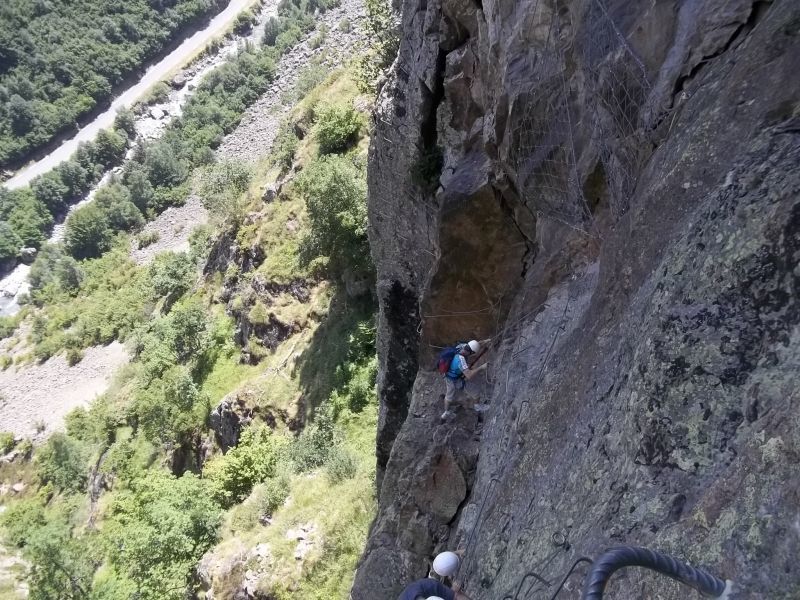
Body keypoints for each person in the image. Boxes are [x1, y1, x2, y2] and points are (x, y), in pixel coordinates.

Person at [441, 338, 490, 421]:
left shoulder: (462, 346)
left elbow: (474, 345)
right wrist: (481, 367)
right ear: (471, 353)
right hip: (454, 379)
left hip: (449, 375)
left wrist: (485, 341)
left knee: (449, 396)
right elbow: (469, 375)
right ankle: (477, 407)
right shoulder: (461, 360)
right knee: (475, 391)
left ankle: (446, 412)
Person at [397, 578, 474, 600]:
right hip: (422, 589)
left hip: (430, 587)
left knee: (455, 596)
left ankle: (455, 591)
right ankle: (454, 590)